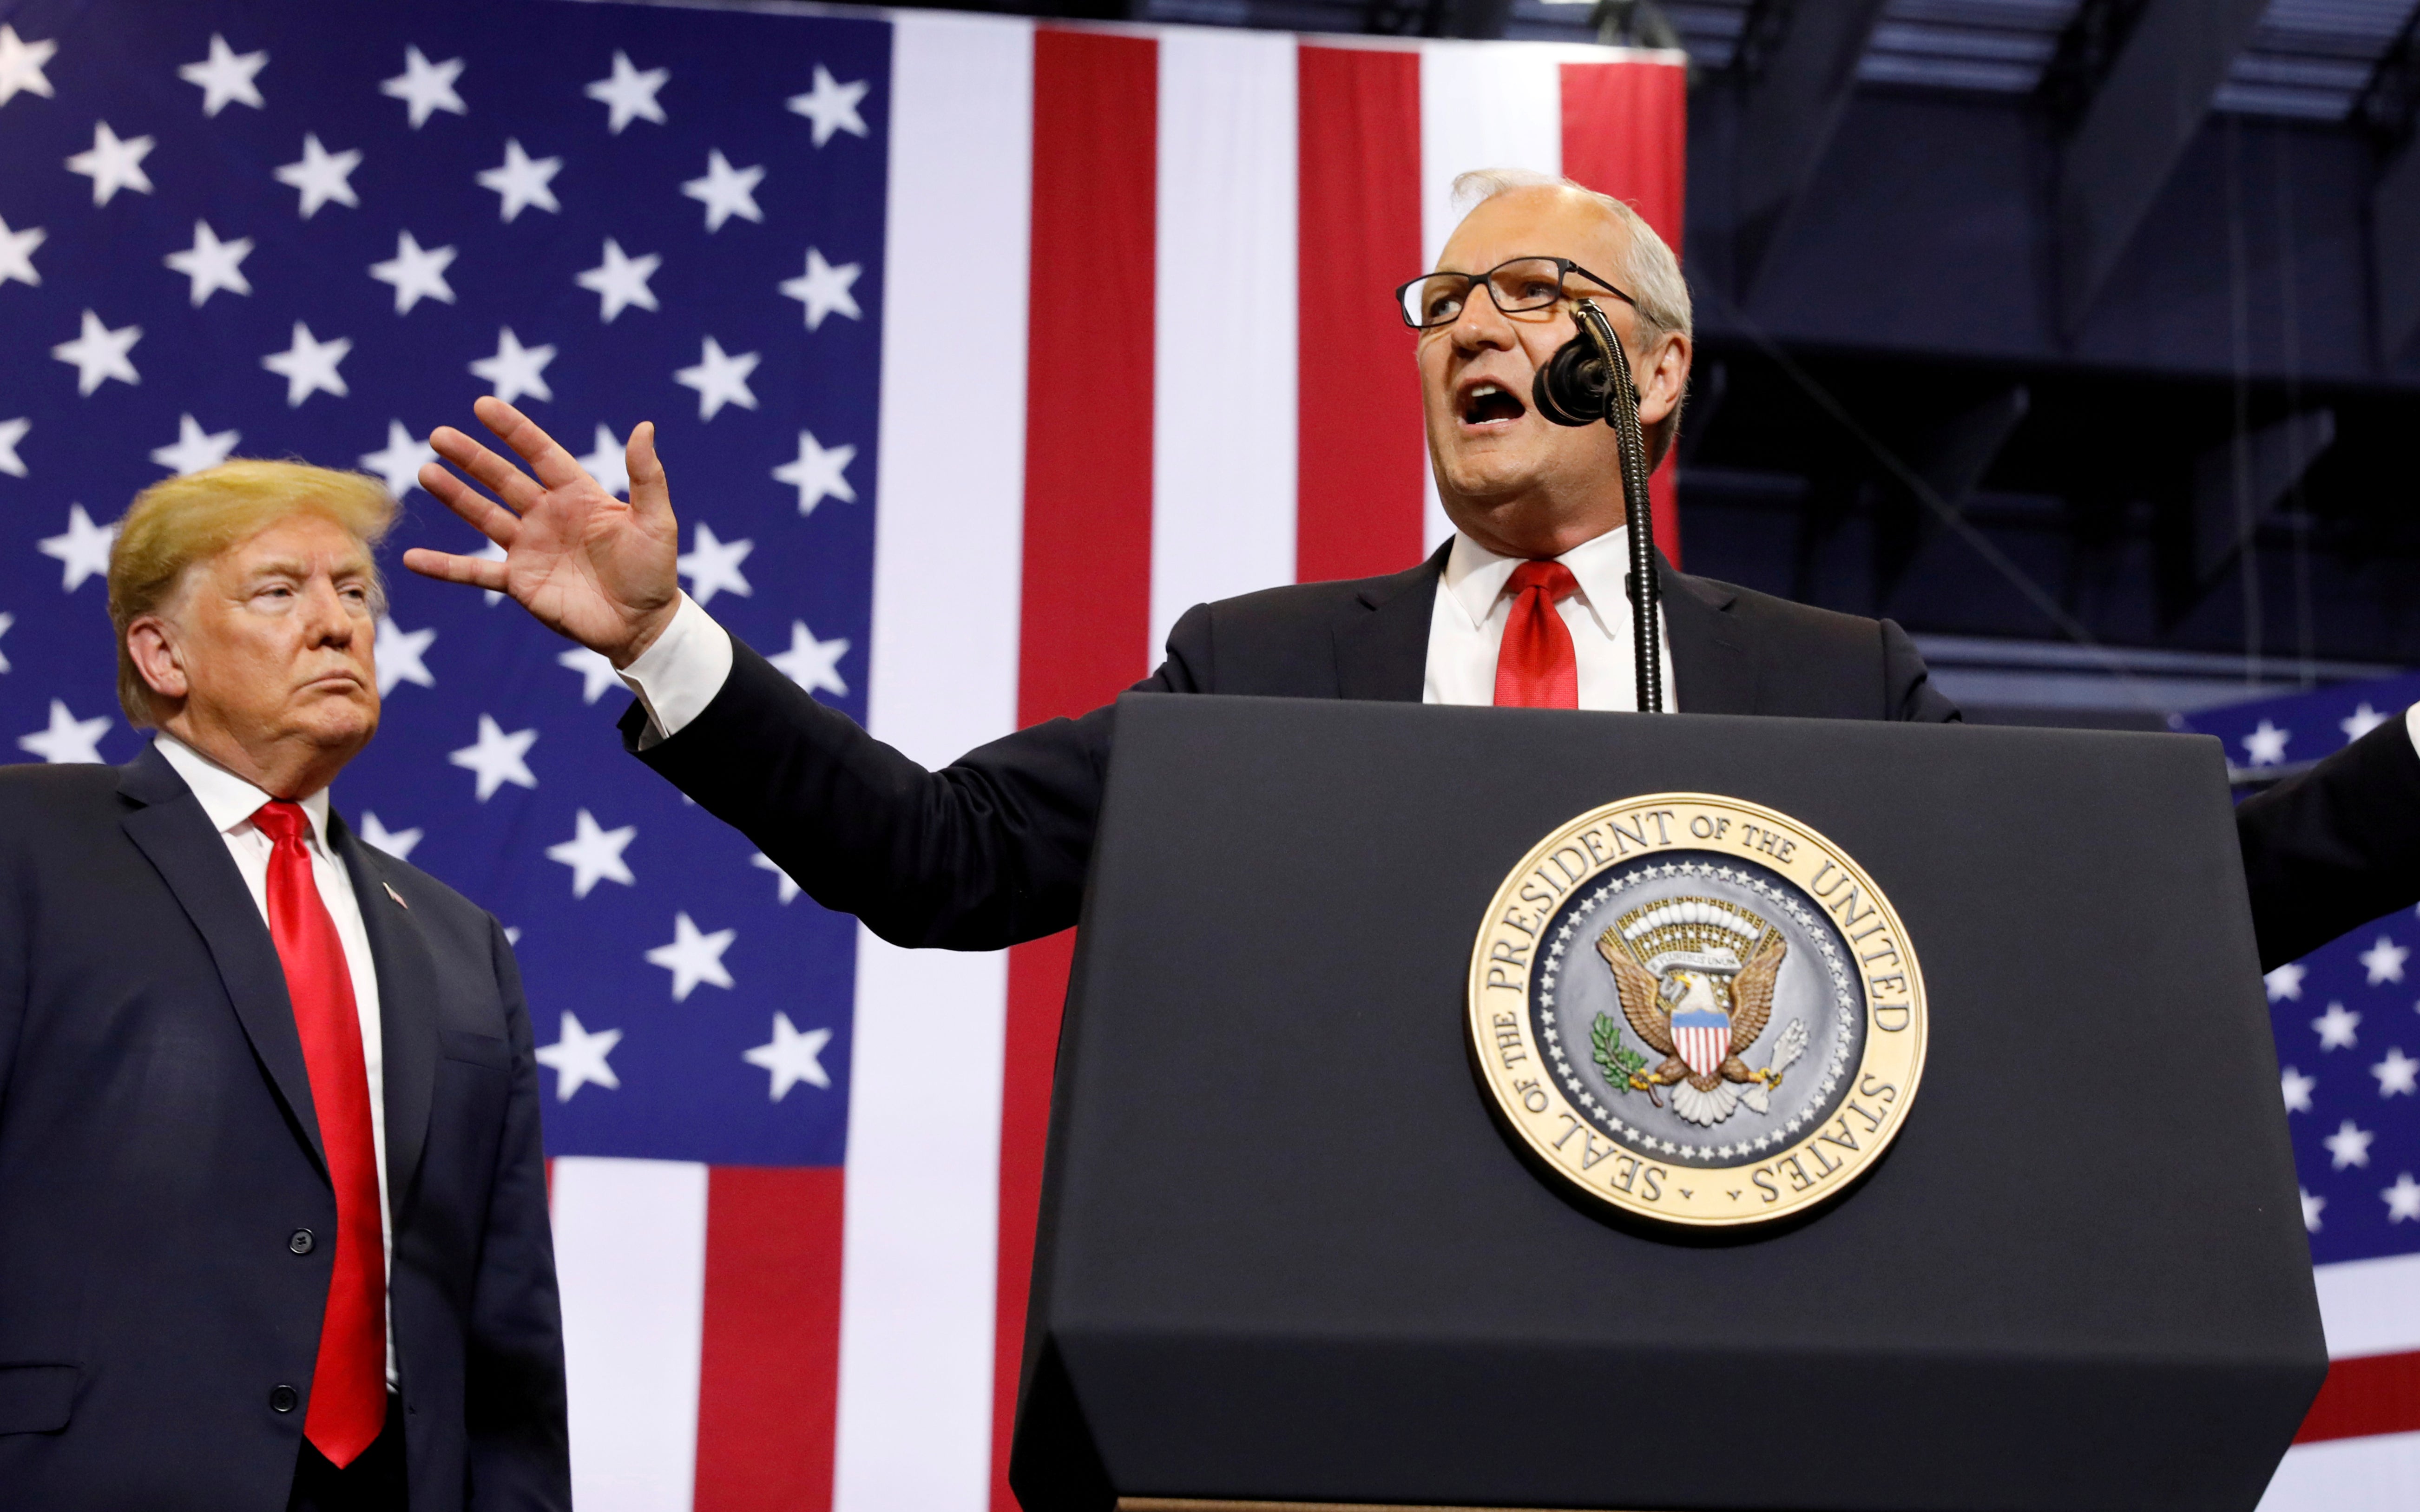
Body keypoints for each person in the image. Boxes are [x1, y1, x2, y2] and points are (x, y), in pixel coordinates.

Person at [401, 169, 2420, 969]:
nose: (1468, 330)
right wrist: (668, 638)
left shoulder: (1835, 681)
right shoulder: (1268, 668)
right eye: (1442, 299)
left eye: (1529, 294)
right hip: (1329, 1349)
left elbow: (2153, 901)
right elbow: (941, 862)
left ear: (1652, 367)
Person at [0, 462, 576, 1512]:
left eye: (355, 592)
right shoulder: (26, 848)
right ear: (160, 651)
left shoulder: (458, 941)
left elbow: (505, 1319)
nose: (336, 621)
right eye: (280, 589)